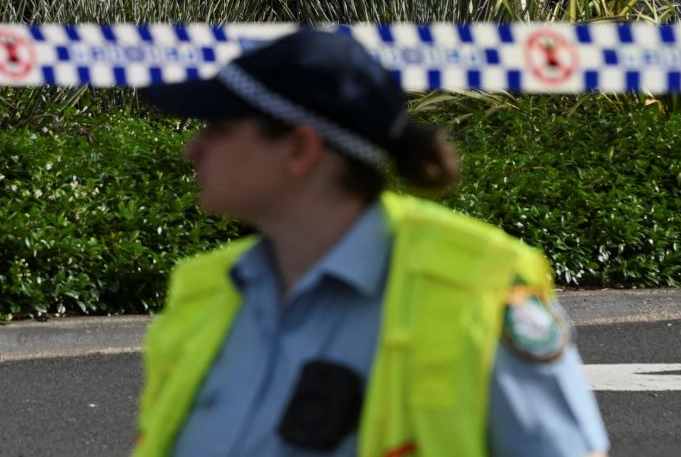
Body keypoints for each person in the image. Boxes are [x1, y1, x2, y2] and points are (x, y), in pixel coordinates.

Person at [133, 28, 609, 457]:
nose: (192, 148)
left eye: (219, 128)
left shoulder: (475, 288)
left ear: (300, 149)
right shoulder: (204, 290)